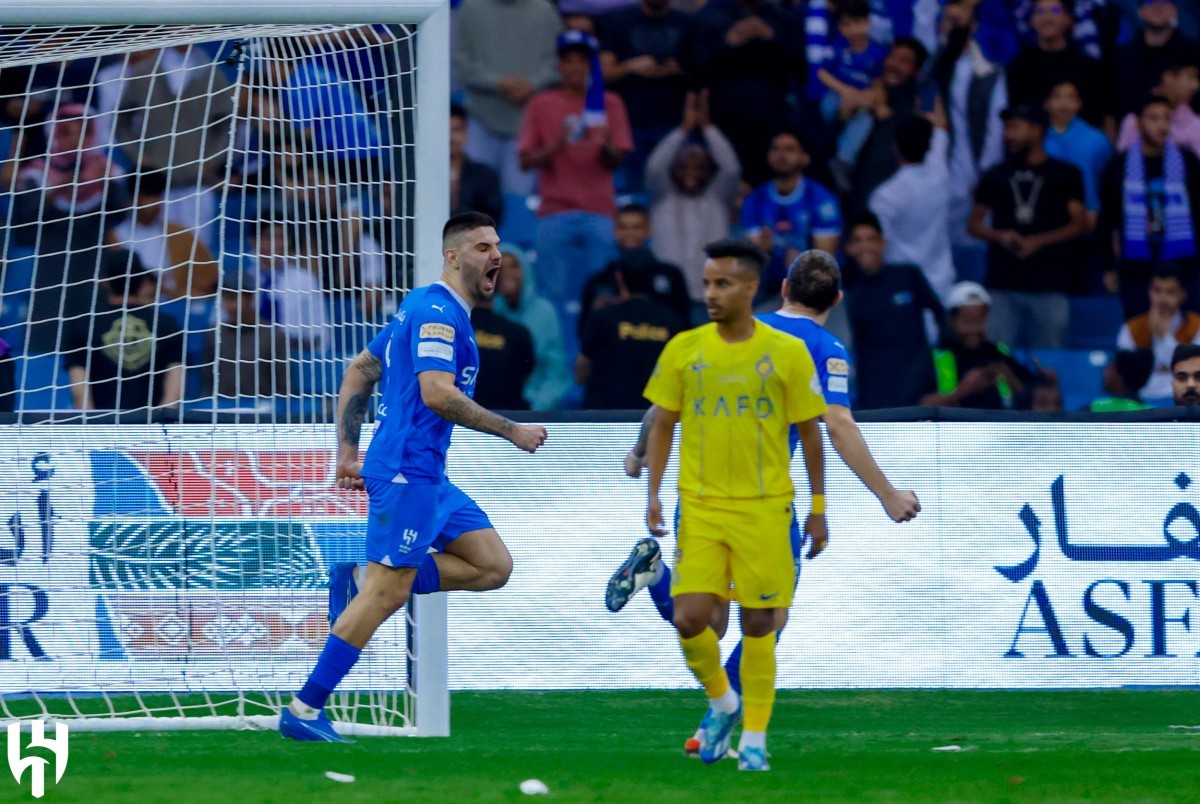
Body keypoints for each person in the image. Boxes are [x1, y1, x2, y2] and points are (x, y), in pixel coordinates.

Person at [609, 247, 922, 757]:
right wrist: (886, 494)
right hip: (762, 503)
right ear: (836, 300)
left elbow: (665, 405)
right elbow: (837, 425)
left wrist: (639, 452)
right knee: (769, 620)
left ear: (782, 289)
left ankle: (657, 577)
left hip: (700, 497)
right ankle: (720, 721)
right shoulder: (822, 348)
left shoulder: (730, 330)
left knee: (709, 620)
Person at [280, 212, 548, 742]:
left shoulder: (422, 305)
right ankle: (304, 710)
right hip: (408, 470)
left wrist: (347, 452)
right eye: (481, 247)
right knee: (387, 595)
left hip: (425, 473)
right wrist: (511, 430)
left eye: (496, 245)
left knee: (492, 565)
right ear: (452, 256)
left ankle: (362, 578)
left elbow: (361, 369)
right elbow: (437, 394)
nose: (495, 255)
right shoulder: (436, 314)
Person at [644, 239, 829, 771]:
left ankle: (754, 739)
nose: (711, 293)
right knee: (690, 617)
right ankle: (724, 702)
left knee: (760, 623)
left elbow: (810, 432)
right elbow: (663, 421)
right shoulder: (684, 348)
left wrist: (818, 507)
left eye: (722, 284)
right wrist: (653, 492)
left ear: (751, 288)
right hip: (700, 507)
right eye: (706, 283)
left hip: (766, 509)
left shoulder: (787, 353)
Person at [518, 31, 634, 311]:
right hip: (554, 209)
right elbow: (525, 161)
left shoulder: (609, 102)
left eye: (582, 60)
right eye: (568, 60)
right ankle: (553, 335)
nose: (574, 67)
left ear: (591, 66)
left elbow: (618, 160)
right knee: (550, 292)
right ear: (558, 65)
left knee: (602, 290)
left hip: (599, 209)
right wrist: (558, 143)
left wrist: (605, 145)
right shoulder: (541, 104)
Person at [968, 103, 1089, 349]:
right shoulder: (995, 175)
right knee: (997, 358)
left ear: (1036, 130)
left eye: (1014, 127)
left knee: (1049, 360)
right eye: (1006, 128)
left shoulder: (1065, 174)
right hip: (1003, 284)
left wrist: (1038, 242)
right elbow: (973, 224)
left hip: (1050, 284)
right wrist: (1000, 236)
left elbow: (1080, 225)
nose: (1007, 135)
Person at [1099, 94, 1200, 318]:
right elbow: (1106, 220)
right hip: (1137, 265)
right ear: (1138, 122)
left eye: (1166, 118)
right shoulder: (1119, 165)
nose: (1161, 125)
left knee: (1188, 330)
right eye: (1154, 118)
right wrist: (1108, 266)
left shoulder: (1188, 161)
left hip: (1184, 264)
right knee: (1139, 328)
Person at [452, 0, 561, 195]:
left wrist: (532, 84)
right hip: (480, 120)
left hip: (527, 124)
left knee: (518, 199)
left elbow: (558, 61)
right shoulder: (471, 9)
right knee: (477, 196)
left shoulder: (544, 10)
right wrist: (498, 84)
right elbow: (460, 62)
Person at [644, 91, 742, 303]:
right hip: (668, 296)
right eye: (684, 166)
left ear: (710, 172)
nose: (691, 172)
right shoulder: (662, 197)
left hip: (710, 296)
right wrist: (684, 129)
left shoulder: (717, 199)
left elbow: (731, 168)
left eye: (699, 167)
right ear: (673, 170)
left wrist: (707, 128)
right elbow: (654, 167)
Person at [842, 212, 945, 409]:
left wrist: (938, 363)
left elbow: (940, 313)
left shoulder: (908, 276)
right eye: (858, 240)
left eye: (871, 239)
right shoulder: (849, 291)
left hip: (918, 381)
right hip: (876, 387)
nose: (865, 246)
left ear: (883, 244)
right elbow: (857, 344)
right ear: (849, 248)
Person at [62, 253, 184, 415]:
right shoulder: (166, 324)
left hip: (103, 424)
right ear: (143, 281)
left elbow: (79, 389)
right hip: (150, 424)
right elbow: (174, 389)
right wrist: (160, 421)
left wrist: (92, 423)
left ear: (105, 282)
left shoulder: (86, 324)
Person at [596, 0, 694, 190]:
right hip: (630, 123)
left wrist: (675, 69)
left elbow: (702, 69)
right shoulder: (620, 22)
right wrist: (630, 67)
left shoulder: (686, 23)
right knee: (631, 193)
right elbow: (603, 72)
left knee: (672, 191)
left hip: (673, 124)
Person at [740, 132, 841, 301]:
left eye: (789, 149)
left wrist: (801, 262)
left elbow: (825, 259)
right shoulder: (755, 200)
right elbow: (754, 257)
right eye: (775, 149)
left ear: (805, 158)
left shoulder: (822, 200)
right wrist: (765, 250)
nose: (781, 155)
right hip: (768, 288)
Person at [868, 113, 955, 303]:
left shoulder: (885, 196)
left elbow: (878, 245)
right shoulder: (940, 171)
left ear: (896, 147)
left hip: (903, 288)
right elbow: (940, 128)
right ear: (929, 146)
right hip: (941, 282)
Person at [576, 260, 686, 409]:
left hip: (606, 416)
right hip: (655, 415)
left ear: (619, 278)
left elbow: (581, 374)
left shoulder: (601, 318)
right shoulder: (673, 322)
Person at [579, 204, 692, 334]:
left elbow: (684, 324)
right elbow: (585, 330)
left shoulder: (671, 275)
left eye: (636, 227)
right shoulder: (599, 281)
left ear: (648, 230)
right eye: (623, 227)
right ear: (615, 231)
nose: (630, 233)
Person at [107, 170, 219, 300]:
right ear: (132, 199)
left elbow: (208, 280)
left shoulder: (179, 233)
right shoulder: (115, 237)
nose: (155, 203)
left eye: (158, 196)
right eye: (148, 196)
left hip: (176, 302)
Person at [922, 282, 1035, 410]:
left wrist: (1010, 379)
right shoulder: (935, 357)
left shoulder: (999, 353)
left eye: (979, 321)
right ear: (951, 320)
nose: (974, 329)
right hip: (953, 422)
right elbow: (918, 404)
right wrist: (962, 391)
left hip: (998, 421)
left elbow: (1031, 398)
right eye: (968, 322)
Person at [817, 0, 889, 188]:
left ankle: (843, 160)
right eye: (846, 25)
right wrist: (845, 91)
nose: (854, 30)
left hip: (862, 100)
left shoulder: (877, 52)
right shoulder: (837, 48)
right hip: (835, 97)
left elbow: (878, 83)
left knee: (866, 117)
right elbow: (822, 73)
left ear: (868, 22)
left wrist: (880, 104)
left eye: (859, 22)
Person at [493, 249, 574, 410]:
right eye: (500, 268)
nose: (507, 273)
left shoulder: (545, 312)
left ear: (525, 269)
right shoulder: (490, 310)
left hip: (536, 409)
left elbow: (556, 371)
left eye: (513, 266)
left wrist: (535, 407)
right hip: (495, 408)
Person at [1005, 0, 1107, 128]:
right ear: (1031, 21)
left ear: (1068, 19)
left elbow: (1102, 115)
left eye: (1055, 11)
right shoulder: (1018, 67)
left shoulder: (1088, 67)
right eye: (1040, 11)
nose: (1047, 18)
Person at [1107, 266, 1200, 403]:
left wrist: (1164, 337)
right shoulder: (1132, 329)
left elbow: (1193, 370)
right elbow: (1124, 375)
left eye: (1170, 292)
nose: (1162, 299)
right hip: (1140, 401)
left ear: (1183, 294)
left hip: (1185, 401)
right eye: (1157, 291)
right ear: (1149, 292)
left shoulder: (1197, 327)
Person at [201, 270, 291, 401]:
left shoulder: (273, 336)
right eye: (226, 298)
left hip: (262, 408)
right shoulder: (214, 334)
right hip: (221, 407)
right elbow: (207, 381)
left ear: (250, 298)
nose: (230, 306)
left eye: (234, 298)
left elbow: (284, 385)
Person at [1113, 0, 1199, 119]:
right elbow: (1112, 101)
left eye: (1164, 2)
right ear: (1141, 11)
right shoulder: (1122, 55)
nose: (1157, 7)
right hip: (1130, 126)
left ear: (1174, 10)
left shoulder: (1193, 53)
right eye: (1150, 2)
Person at [1043, 79, 1114, 223]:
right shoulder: (1035, 138)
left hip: (1089, 216)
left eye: (1071, 97)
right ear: (1046, 103)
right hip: (1043, 216)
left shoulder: (1098, 139)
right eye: (1057, 96)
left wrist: (1096, 210)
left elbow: (1107, 181)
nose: (1064, 104)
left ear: (1079, 103)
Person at [1116, 60, 1200, 158]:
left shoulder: (1196, 123)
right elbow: (1123, 163)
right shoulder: (1134, 121)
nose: (1196, 85)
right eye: (1190, 78)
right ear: (1168, 77)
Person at [471, 297, 535, 410]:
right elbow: (528, 370)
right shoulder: (517, 332)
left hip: (461, 414)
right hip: (509, 414)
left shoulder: (453, 330)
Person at [450, 104, 504, 225]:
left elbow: (491, 220)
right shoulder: (422, 177)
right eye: (445, 131)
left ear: (465, 133)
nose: (451, 137)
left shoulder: (485, 176)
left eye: (456, 130)